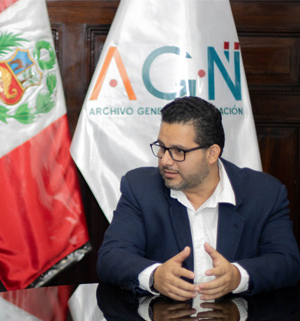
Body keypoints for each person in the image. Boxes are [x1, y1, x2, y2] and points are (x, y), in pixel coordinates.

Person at [97, 96, 300, 302]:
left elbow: (287, 262)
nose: (165, 160)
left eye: (179, 151)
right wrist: (155, 276)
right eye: (162, 147)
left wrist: (238, 277)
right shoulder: (140, 188)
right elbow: (111, 257)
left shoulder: (265, 194)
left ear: (212, 154)